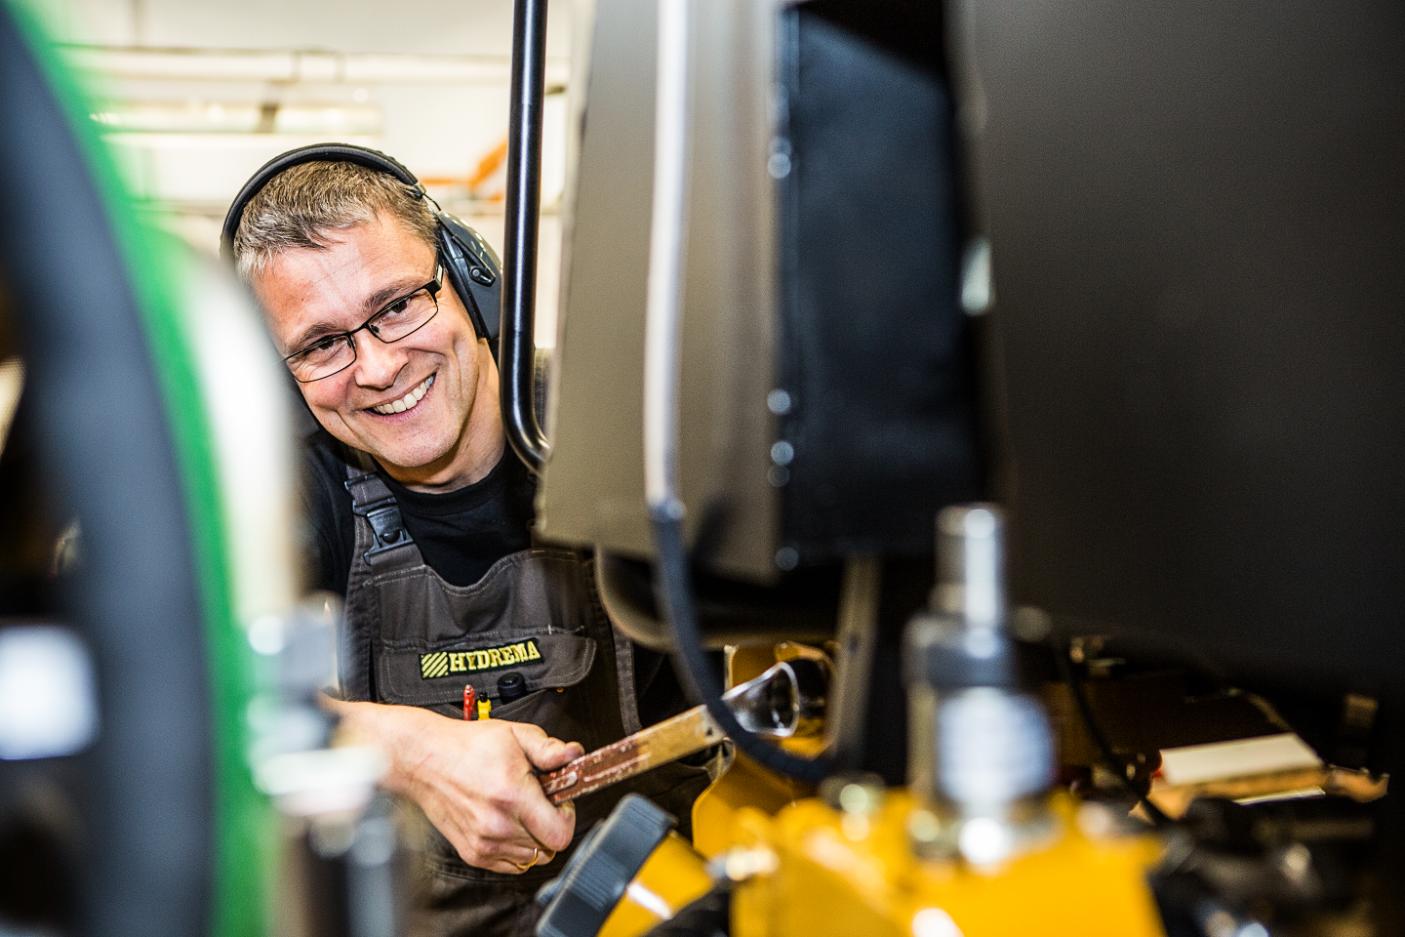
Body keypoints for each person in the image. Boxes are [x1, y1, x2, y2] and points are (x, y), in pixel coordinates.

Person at [223, 145, 710, 937]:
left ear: (469, 279)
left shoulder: (627, 428)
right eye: (320, 344)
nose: (376, 367)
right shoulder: (292, 490)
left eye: (396, 305)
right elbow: (172, 691)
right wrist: (404, 748)